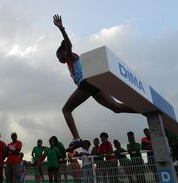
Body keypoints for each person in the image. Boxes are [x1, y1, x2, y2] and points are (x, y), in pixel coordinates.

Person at [53, 15, 137, 143]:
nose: (59, 59)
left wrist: (61, 29)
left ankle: (76, 139)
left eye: (58, 56)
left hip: (87, 84)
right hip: (94, 85)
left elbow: (68, 45)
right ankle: (143, 111)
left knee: (66, 110)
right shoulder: (71, 61)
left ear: (63, 52)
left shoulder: (71, 56)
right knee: (116, 108)